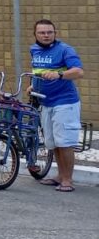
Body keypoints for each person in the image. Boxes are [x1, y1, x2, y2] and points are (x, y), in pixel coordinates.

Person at [29, 19, 85, 193]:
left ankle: (68, 180)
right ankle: (60, 176)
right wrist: (33, 85)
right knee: (53, 143)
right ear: (35, 34)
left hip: (65, 102)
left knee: (65, 142)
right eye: (42, 32)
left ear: (55, 33)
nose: (46, 35)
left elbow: (78, 71)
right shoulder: (34, 50)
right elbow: (37, 71)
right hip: (46, 102)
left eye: (50, 32)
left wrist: (59, 74)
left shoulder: (65, 50)